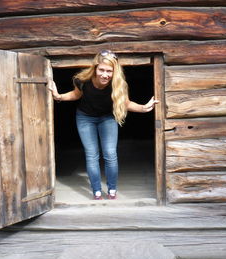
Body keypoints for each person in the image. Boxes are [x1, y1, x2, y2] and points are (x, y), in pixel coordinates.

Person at [48, 50, 158, 200]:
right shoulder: (82, 80)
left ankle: (112, 189)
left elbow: (126, 104)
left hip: (107, 118)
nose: (105, 74)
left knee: (110, 154)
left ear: (114, 71)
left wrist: (143, 108)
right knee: (92, 154)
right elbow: (75, 95)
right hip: (85, 118)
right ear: (95, 68)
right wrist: (58, 96)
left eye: (109, 71)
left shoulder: (118, 85)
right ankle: (96, 191)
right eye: (102, 70)